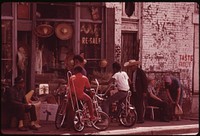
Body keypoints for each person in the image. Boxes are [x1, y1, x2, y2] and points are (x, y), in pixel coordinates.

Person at [124, 59, 148, 123]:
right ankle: (136, 117)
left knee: (139, 105)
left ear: (135, 66)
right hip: (134, 91)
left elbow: (145, 82)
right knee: (135, 105)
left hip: (140, 91)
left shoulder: (140, 72)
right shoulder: (133, 73)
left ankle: (141, 118)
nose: (131, 68)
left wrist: (144, 91)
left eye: (131, 67)